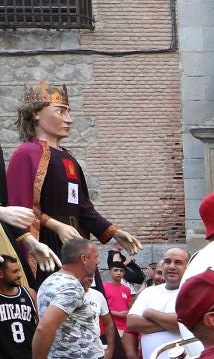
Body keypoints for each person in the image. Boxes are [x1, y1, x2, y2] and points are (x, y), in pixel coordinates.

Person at [4, 82, 141, 279]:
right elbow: (19, 207)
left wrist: (114, 232)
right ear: (36, 113)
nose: (69, 120)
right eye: (60, 112)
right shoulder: (27, 153)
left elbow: (84, 207)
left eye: (68, 112)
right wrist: (56, 225)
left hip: (75, 243)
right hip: (46, 243)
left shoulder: (68, 157)